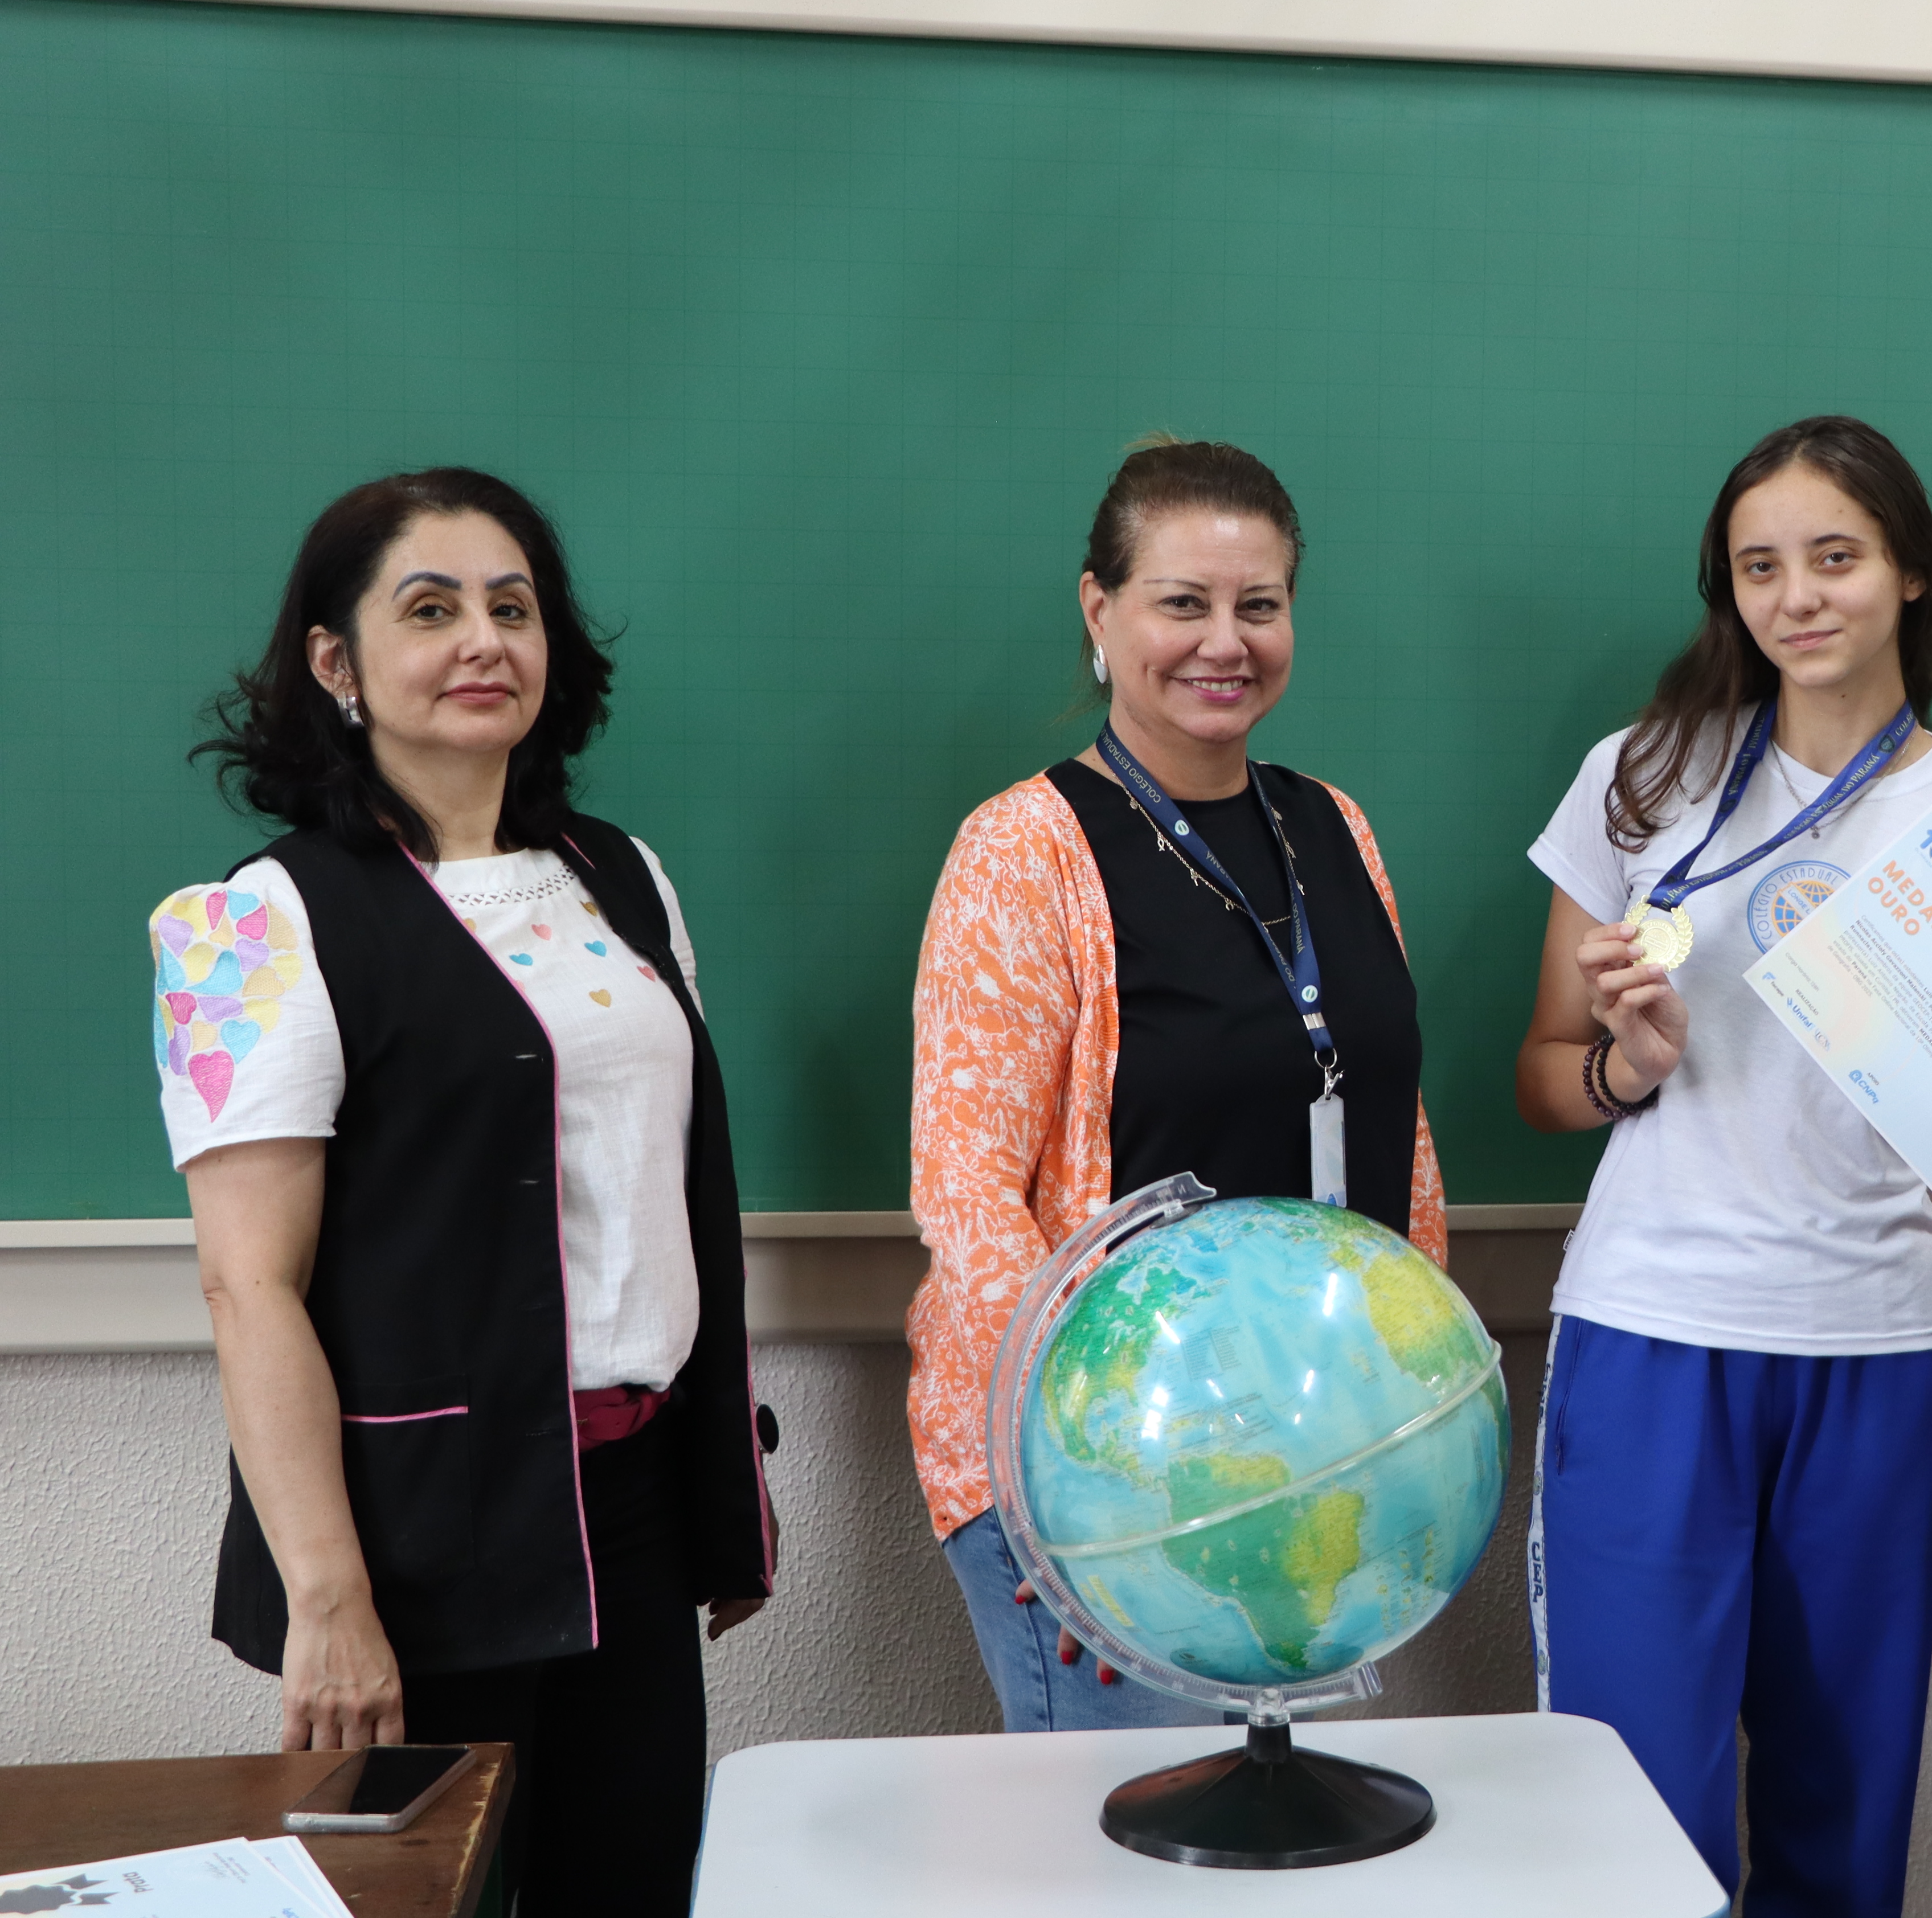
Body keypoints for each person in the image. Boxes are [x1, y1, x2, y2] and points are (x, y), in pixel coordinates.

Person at [158, 468, 773, 1915]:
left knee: (624, 1893)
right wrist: (330, 1599)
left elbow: (665, 1202)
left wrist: (718, 1502)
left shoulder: (621, 879)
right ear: (336, 661)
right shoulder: (250, 925)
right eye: (428, 609)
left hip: (629, 1504)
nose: (482, 640)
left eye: (513, 606)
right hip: (417, 1532)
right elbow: (250, 1285)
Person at [1514, 415, 1932, 1916]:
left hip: (1873, 1350)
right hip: (1654, 1335)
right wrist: (1631, 1059)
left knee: (1846, 1796)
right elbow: (1547, 1078)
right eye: (1761, 567)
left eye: (1835, 558)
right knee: (1636, 1805)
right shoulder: (1642, 777)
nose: (1797, 598)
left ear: (1912, 578)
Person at [907, 435, 1446, 1732]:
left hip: (1304, 1480)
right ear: (1101, 611)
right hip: (1107, 1493)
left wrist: (1414, 1396)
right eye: (1182, 602)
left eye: (1260, 605)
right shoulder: (1026, 850)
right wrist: (1099, 1477)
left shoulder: (1334, 825)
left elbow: (1396, 1128)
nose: (1226, 641)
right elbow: (969, 1196)